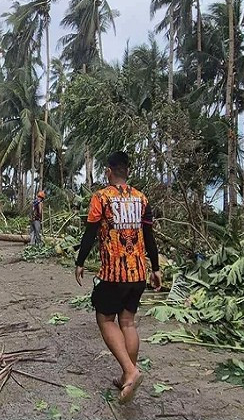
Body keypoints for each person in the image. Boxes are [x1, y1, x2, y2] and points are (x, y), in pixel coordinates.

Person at [74, 151, 161, 404]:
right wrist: (155, 268)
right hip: (138, 274)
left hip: (114, 274)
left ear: (109, 171)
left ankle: (131, 371)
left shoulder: (101, 197)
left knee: (105, 319)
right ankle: (127, 376)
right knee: (128, 323)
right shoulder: (141, 198)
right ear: (128, 172)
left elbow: (90, 233)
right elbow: (150, 237)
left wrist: (80, 262)